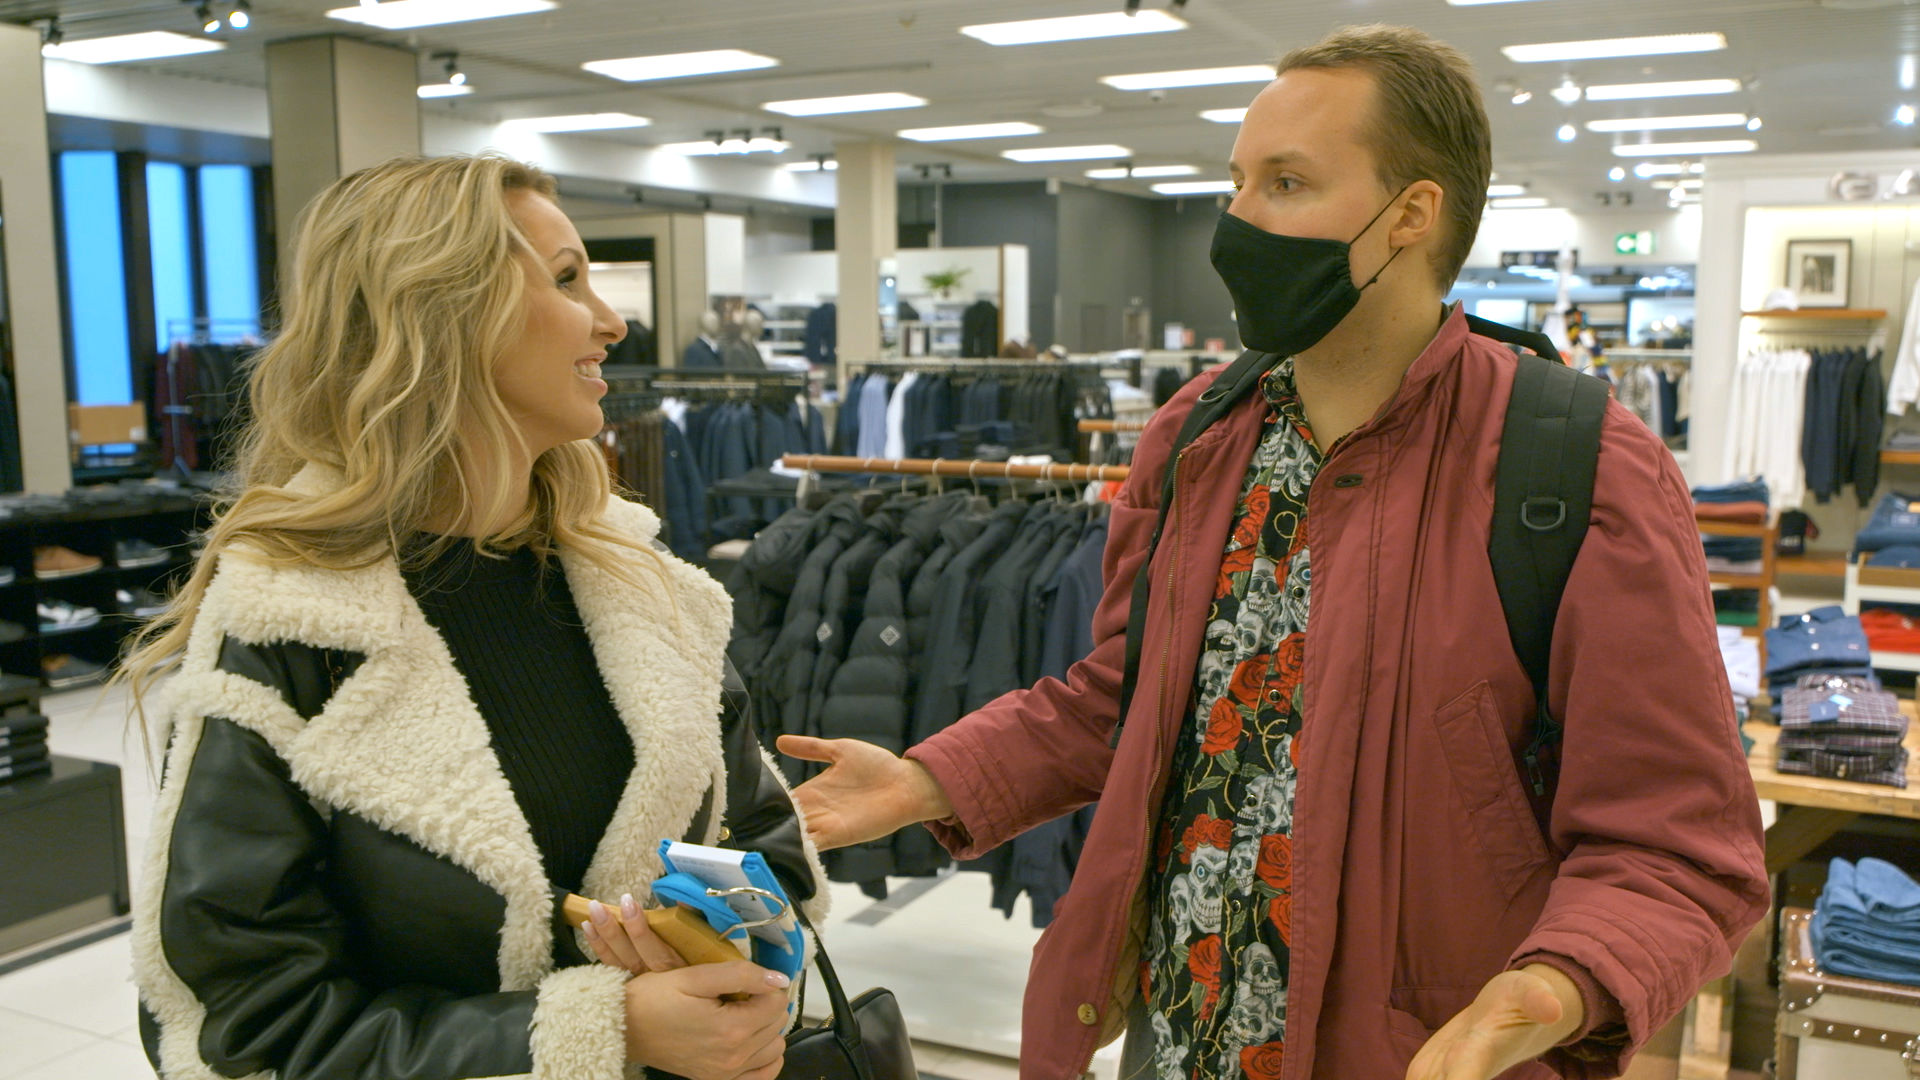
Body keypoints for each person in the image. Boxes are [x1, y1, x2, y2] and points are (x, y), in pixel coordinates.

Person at [780, 24, 1768, 1080]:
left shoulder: (1574, 464)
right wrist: (932, 777)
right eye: (1237, 183)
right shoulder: (1199, 437)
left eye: (1286, 184)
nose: (1236, 223)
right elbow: (1130, 698)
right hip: (1178, 1034)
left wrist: (1557, 985)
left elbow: (1677, 840)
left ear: (1411, 216)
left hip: (1417, 1050)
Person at [124, 153, 828, 1080]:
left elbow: (763, 840)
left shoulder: (643, 588)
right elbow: (241, 1023)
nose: (613, 322)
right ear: (444, 313)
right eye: (567, 279)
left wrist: (720, 955)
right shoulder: (290, 631)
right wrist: (596, 1032)